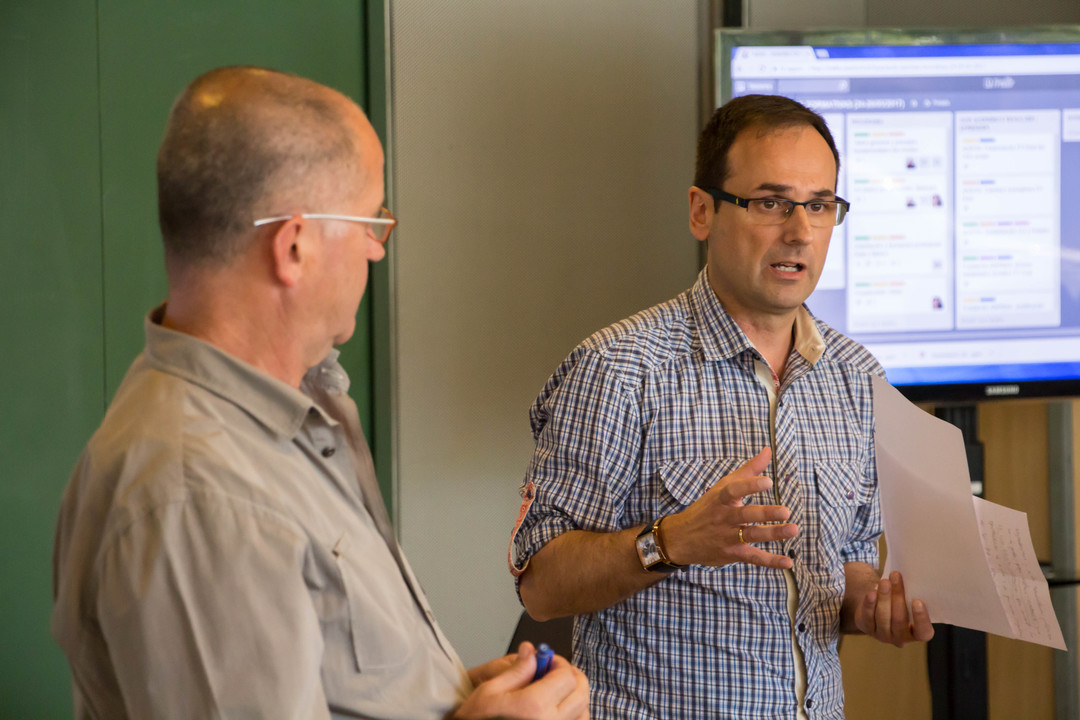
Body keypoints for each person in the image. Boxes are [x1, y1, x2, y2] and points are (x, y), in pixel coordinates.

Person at [51, 66, 588, 720]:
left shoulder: (288, 417)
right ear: (295, 247)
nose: (376, 249)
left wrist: (445, 695)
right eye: (369, 222)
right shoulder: (202, 495)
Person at [507, 95, 934, 719]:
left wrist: (872, 605)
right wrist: (672, 541)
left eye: (819, 205)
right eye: (770, 203)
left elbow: (847, 567)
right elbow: (541, 586)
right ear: (701, 211)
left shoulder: (859, 376)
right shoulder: (619, 369)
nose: (800, 231)